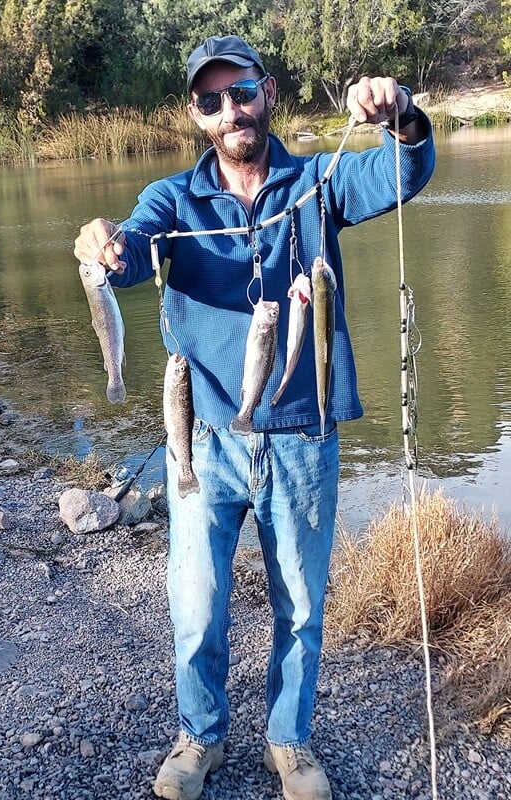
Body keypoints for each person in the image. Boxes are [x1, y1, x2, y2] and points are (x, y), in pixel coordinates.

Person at [74, 35, 435, 800]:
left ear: (267, 92)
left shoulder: (318, 183)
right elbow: (135, 253)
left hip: (305, 434)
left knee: (302, 608)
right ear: (196, 113)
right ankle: (199, 736)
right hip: (203, 441)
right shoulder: (173, 199)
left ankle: (288, 740)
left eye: (240, 92)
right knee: (196, 605)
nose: (229, 109)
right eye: (211, 100)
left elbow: (403, 172)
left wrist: (400, 116)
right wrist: (104, 248)